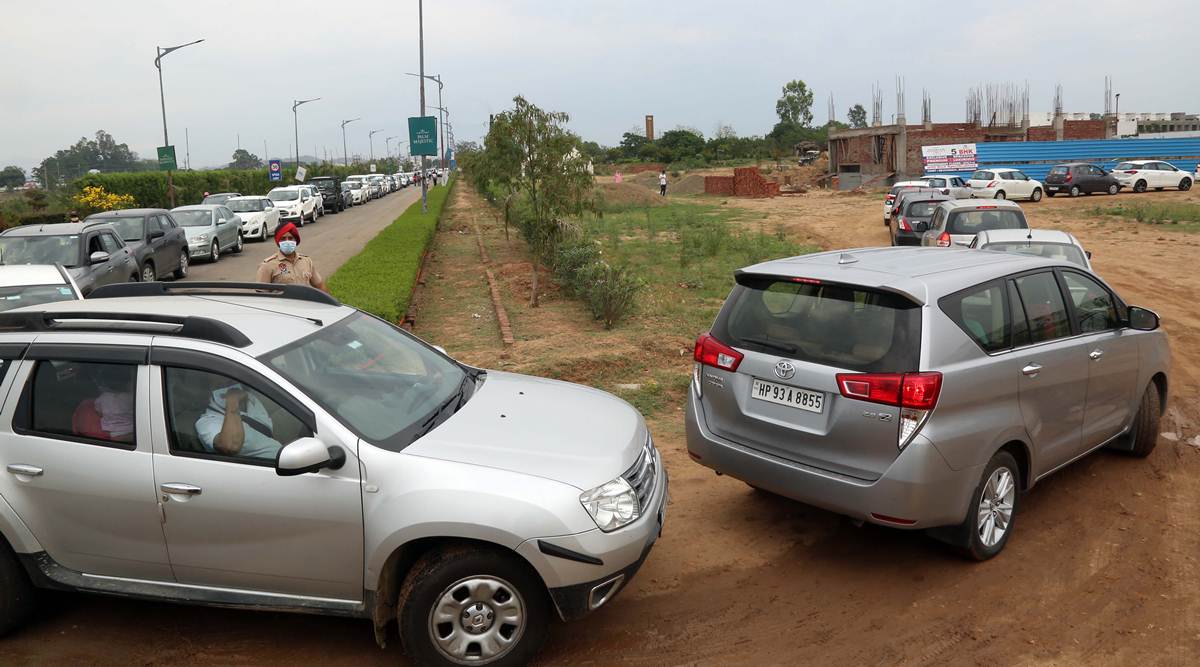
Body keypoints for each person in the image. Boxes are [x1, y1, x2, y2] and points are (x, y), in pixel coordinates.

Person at [195, 383, 280, 459]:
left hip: (282, 456)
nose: (234, 386)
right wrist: (232, 400)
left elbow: (267, 432)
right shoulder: (207, 421)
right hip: (268, 470)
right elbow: (230, 446)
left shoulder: (249, 398)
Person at [255, 222, 328, 292]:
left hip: (304, 304)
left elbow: (320, 285)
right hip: (282, 304)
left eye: (290, 238)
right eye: (283, 239)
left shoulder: (306, 261)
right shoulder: (267, 265)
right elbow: (262, 296)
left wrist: (330, 303)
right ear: (278, 242)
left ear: (296, 240)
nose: (287, 242)